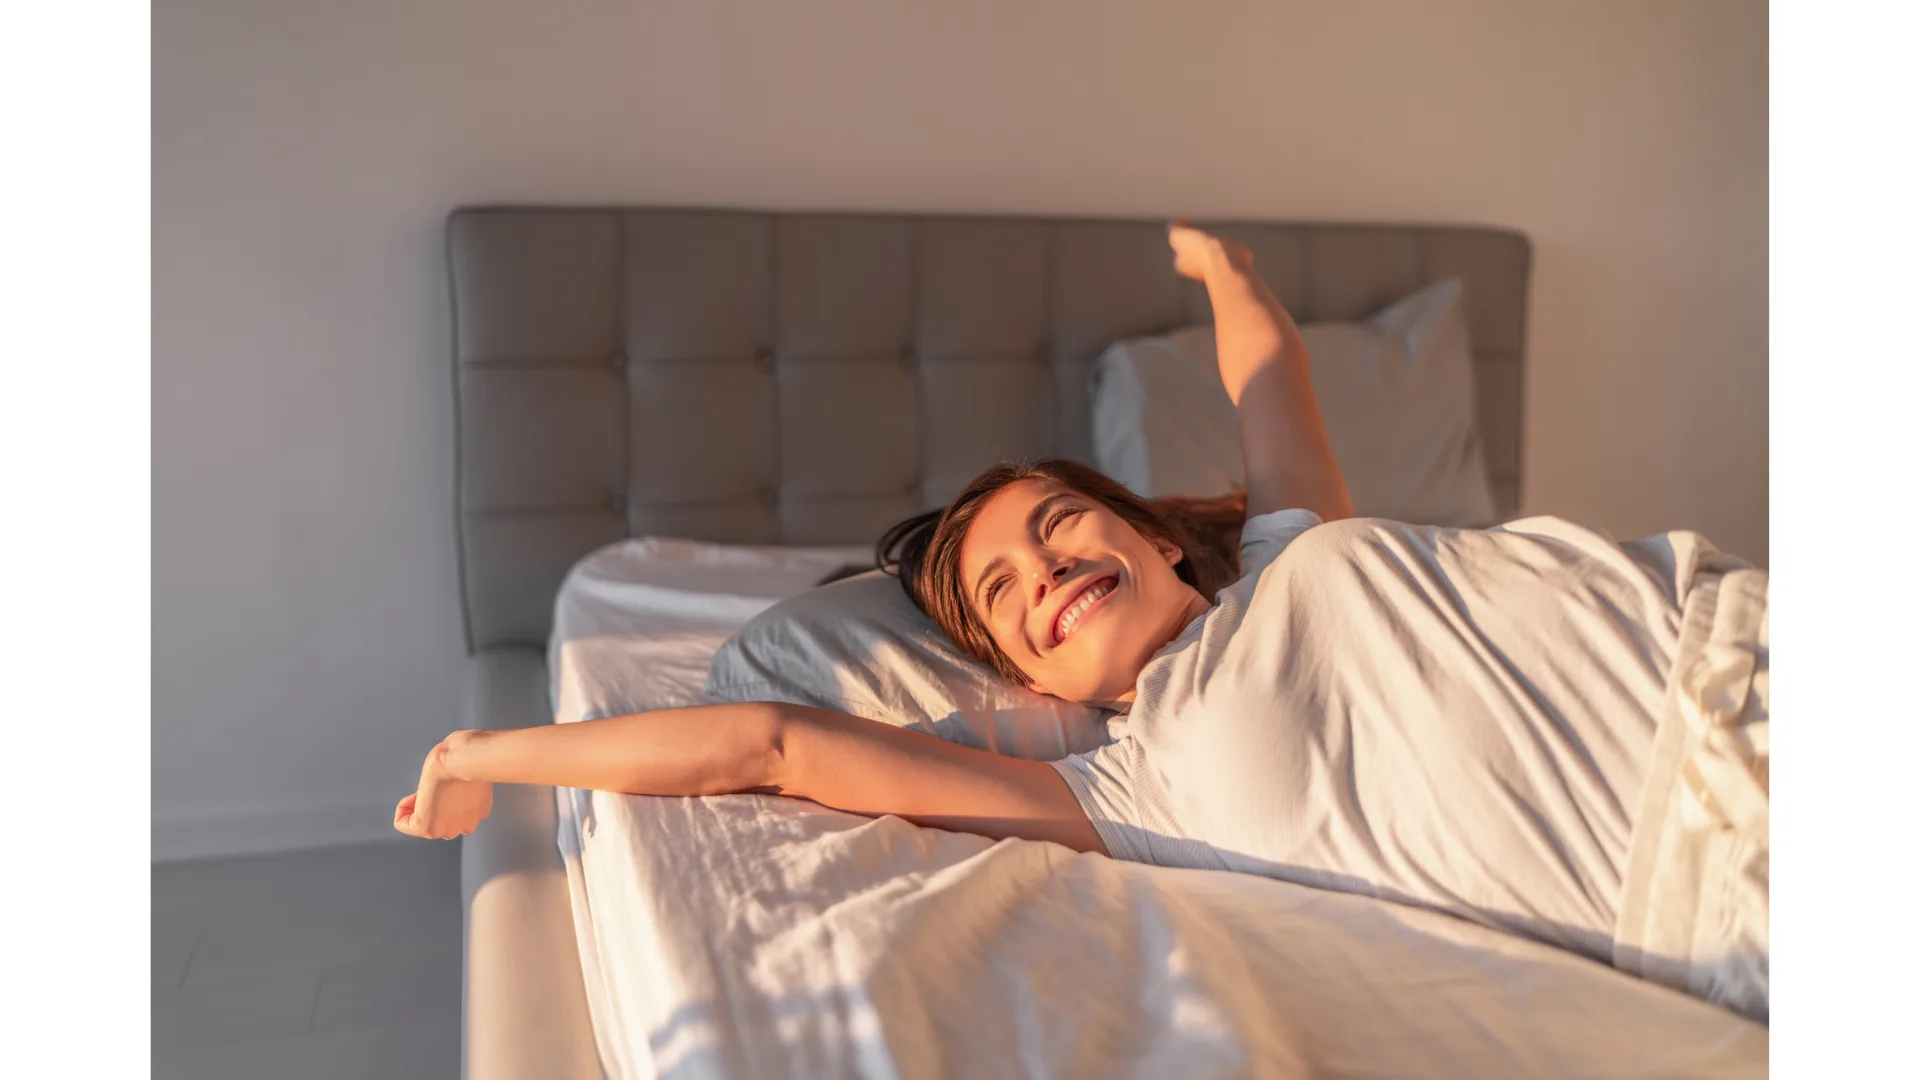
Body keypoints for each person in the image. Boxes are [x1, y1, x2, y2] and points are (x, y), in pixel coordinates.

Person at [396, 224, 1769, 1020]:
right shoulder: (1122, 789)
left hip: (1735, 627)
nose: (1043, 571)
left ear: (1159, 539)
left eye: (1057, 525)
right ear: (1025, 676)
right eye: (1003, 597)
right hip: (1725, 856)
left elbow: (1269, 375)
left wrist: (1223, 269)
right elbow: (772, 741)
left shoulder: (1290, 549)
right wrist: (476, 755)